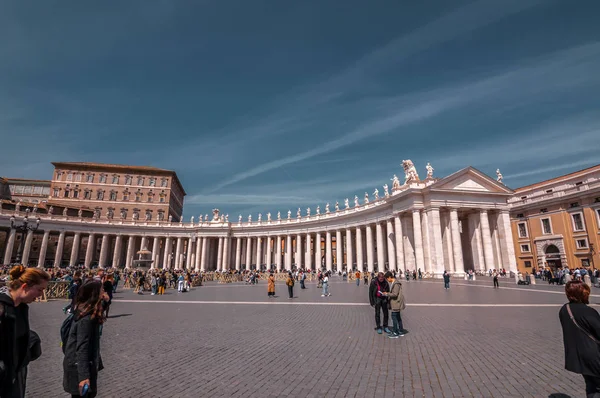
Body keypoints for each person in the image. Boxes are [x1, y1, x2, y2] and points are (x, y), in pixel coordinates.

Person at [0, 265, 49, 398]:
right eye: (39, 290)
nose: (41, 295)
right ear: (25, 286)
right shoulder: (2, 308)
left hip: (15, 377)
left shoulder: (21, 308)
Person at [63, 280, 108, 398]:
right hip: (80, 367)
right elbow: (82, 347)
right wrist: (84, 377)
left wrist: (106, 302)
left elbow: (100, 307)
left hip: (79, 365)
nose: (104, 291)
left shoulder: (83, 309)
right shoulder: (86, 319)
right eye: (102, 290)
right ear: (95, 294)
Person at [559, 280, 600, 397]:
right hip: (594, 355)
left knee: (592, 386)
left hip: (579, 356)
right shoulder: (588, 312)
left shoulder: (565, 309)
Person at [382, 271, 407, 338]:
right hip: (396, 302)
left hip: (396, 303)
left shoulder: (395, 284)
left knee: (394, 318)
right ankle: (401, 331)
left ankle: (395, 332)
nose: (387, 280)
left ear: (390, 277)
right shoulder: (395, 283)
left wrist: (386, 294)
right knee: (398, 317)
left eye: (387, 279)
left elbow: (395, 294)